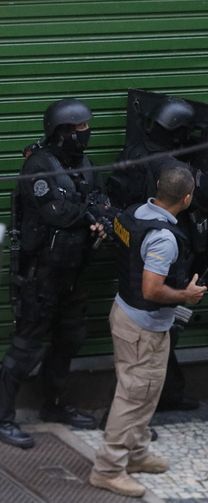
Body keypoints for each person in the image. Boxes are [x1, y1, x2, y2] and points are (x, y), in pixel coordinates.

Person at [89, 165, 207, 498]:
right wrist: (187, 295)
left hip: (127, 316)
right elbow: (152, 289)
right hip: (143, 328)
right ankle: (108, 469)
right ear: (186, 198)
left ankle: (137, 453)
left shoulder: (138, 212)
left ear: (158, 188)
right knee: (133, 397)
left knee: (143, 393)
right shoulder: (164, 239)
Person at [107, 96, 208, 411]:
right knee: (160, 329)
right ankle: (126, 410)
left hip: (133, 246)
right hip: (164, 251)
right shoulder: (173, 169)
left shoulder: (134, 152)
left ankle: (170, 391)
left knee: (165, 330)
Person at [0, 98, 109, 449]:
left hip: (73, 274)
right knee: (25, 349)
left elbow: (99, 200)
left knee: (69, 339)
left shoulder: (83, 164)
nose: (85, 134)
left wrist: (103, 220)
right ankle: (3, 417)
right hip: (41, 276)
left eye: (85, 128)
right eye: (78, 129)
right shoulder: (39, 168)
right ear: (60, 133)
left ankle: (54, 405)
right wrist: (89, 217)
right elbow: (57, 212)